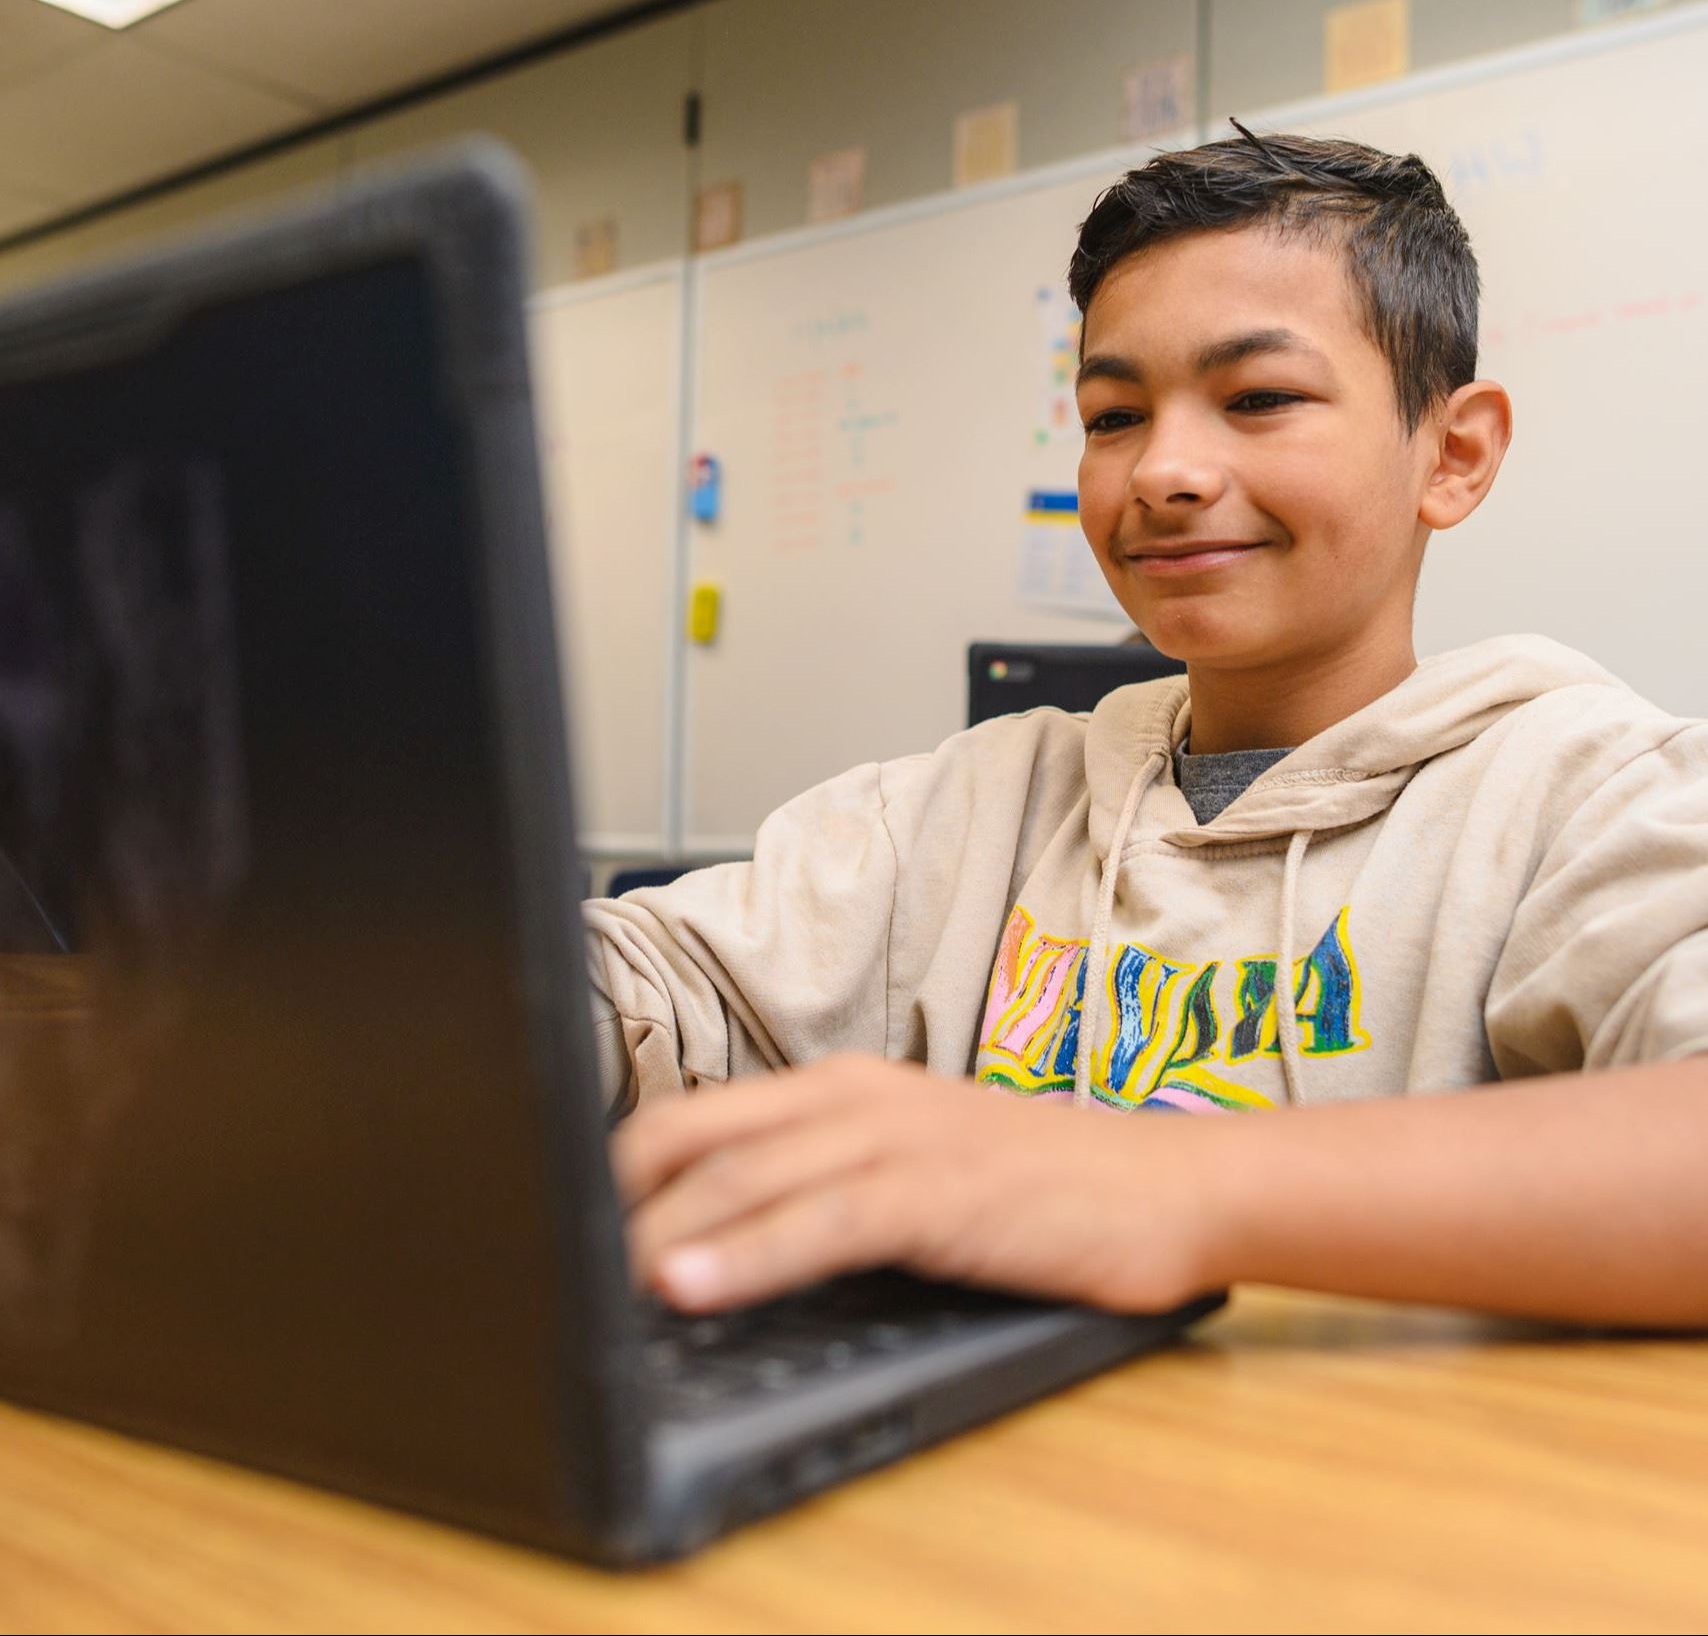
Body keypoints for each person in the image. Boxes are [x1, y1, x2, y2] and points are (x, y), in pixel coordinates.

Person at [587, 129, 1708, 1329]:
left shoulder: (1586, 794)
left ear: (1454, 451)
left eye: (1259, 397)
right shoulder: (988, 803)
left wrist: (1148, 1184)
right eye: (1114, 415)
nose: (1163, 469)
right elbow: (638, 989)